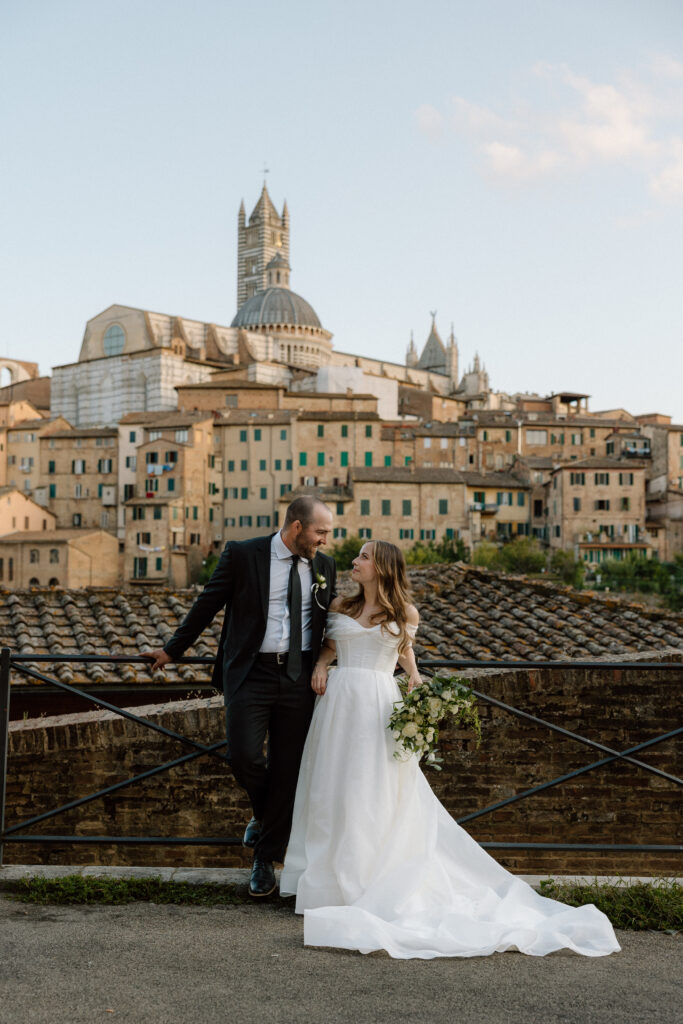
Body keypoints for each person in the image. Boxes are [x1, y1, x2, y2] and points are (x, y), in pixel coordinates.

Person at [279, 540, 621, 960]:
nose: (355, 561)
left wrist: (417, 682)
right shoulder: (340, 606)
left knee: (372, 790)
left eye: (364, 556)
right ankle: (326, 883)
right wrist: (320, 665)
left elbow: (404, 650)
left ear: (382, 566)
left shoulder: (405, 613)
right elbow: (331, 646)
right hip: (338, 704)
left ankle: (365, 876)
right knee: (329, 788)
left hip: (379, 705)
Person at [147, 496, 336, 899]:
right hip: (251, 673)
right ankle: (263, 815)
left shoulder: (324, 566)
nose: (325, 539)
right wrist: (172, 650)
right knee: (243, 755)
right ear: (297, 527)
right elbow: (207, 604)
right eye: (321, 531)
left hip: (300, 677)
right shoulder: (243, 554)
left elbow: (329, 622)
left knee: (288, 769)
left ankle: (264, 859)